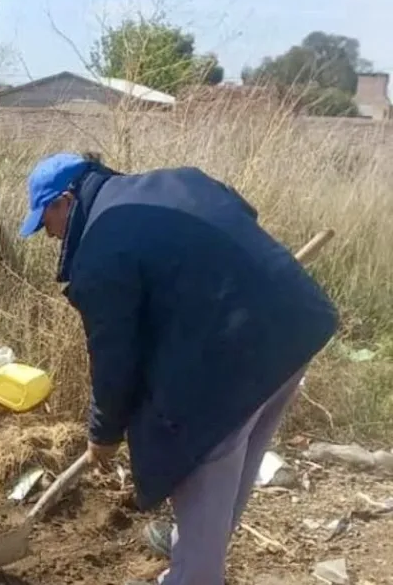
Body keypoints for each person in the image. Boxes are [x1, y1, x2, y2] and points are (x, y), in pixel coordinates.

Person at [19, 152, 338, 585]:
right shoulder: (180, 180)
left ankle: (195, 569)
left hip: (233, 361)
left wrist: (103, 434)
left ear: (65, 200)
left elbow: (114, 358)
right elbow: (240, 217)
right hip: (294, 326)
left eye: (46, 223)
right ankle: (196, 547)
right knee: (231, 468)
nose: (51, 235)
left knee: (204, 459)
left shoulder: (99, 250)